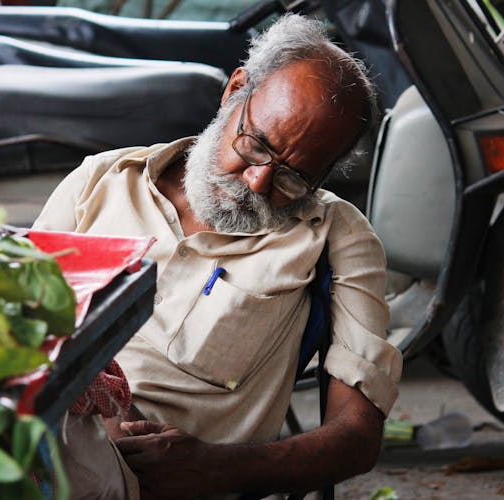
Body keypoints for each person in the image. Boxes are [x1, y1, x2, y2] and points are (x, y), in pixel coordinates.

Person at [33, 13, 403, 499]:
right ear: (235, 91)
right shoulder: (100, 180)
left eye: (294, 177)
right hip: (42, 429)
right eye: (255, 147)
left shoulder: (337, 236)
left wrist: (214, 468)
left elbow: (356, 439)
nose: (257, 183)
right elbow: (12, 320)